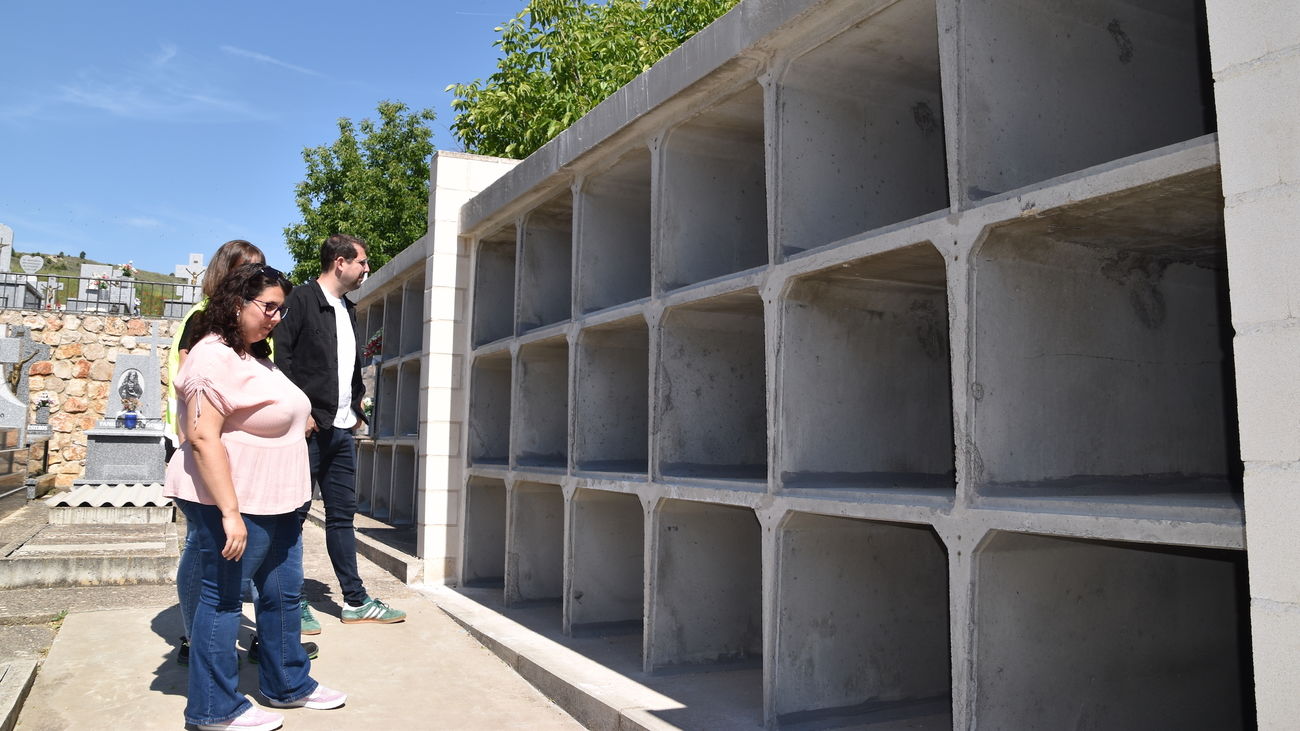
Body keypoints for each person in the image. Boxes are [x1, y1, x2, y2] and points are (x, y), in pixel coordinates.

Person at [164, 263, 345, 731]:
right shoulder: (209, 357)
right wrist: (230, 514)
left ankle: (287, 685)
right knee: (222, 600)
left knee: (283, 593)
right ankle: (213, 709)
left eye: (281, 310)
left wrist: (296, 419)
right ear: (236, 303)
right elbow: (202, 438)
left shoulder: (249, 355)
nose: (275, 318)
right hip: (235, 501)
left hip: (279, 500)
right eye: (268, 307)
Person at [274, 234, 406, 624]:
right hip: (310, 430)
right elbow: (282, 360)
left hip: (342, 431)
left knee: (342, 518)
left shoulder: (348, 308)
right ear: (340, 263)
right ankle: (290, 602)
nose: (366, 269)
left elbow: (345, 366)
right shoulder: (299, 300)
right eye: (362, 262)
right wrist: (304, 412)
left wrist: (356, 403)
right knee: (293, 516)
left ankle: (355, 600)